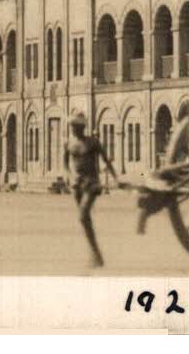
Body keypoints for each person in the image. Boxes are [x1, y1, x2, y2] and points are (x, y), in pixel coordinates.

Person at [63, 110, 118, 267]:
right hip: (77, 185)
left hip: (92, 183)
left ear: (82, 127)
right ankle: (95, 253)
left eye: (77, 126)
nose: (74, 129)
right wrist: (69, 177)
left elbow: (106, 160)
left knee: (83, 215)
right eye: (72, 126)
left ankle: (95, 253)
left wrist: (116, 178)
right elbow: (65, 164)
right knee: (85, 220)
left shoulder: (93, 142)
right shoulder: (68, 143)